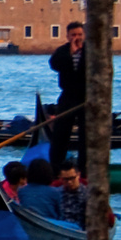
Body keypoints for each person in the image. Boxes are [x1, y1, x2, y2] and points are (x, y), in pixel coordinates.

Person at [48, 22, 86, 168]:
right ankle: (56, 168)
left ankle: (84, 169)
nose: (77, 38)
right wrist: (71, 52)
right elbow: (54, 65)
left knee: (86, 136)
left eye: (79, 35)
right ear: (68, 36)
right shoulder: (63, 51)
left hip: (86, 98)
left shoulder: (90, 50)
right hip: (68, 95)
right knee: (60, 134)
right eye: (74, 35)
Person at [57, 159, 87, 227]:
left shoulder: (87, 194)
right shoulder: (57, 194)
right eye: (65, 179)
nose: (69, 182)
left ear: (78, 175)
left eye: (72, 178)